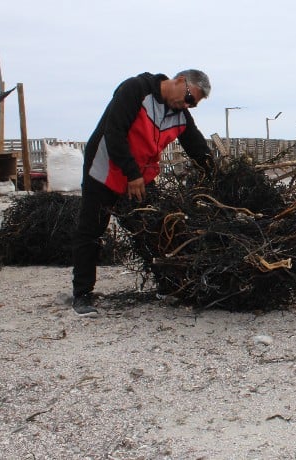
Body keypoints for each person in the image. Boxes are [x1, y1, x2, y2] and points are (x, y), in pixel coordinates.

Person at [71, 69, 214, 317]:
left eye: (194, 103)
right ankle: (82, 294)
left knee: (154, 229)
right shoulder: (136, 90)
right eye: (190, 98)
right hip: (104, 170)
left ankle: (165, 285)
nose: (189, 105)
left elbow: (196, 146)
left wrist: (216, 173)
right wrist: (131, 173)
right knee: (91, 231)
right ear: (180, 81)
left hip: (140, 178)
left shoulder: (180, 115)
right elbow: (114, 131)